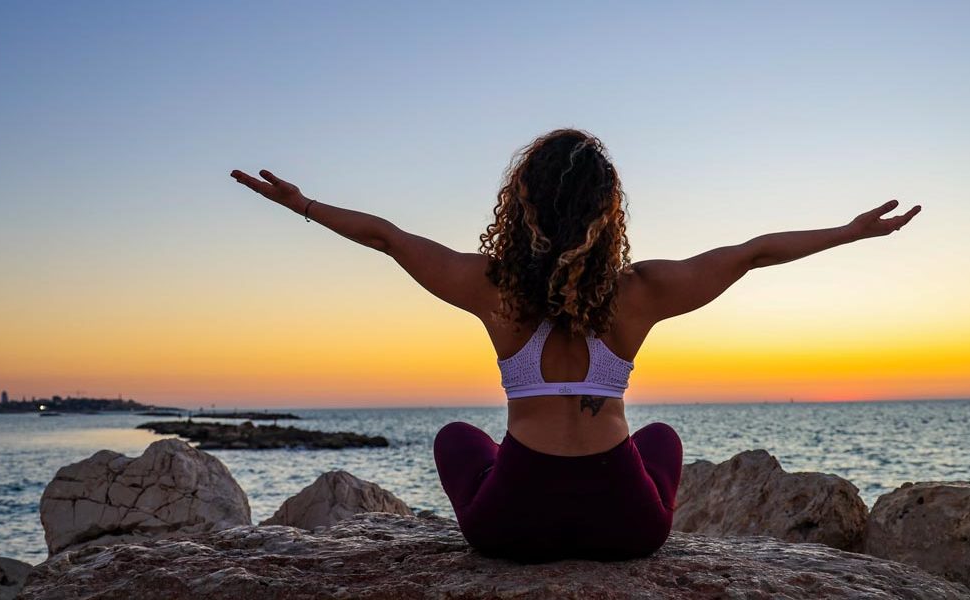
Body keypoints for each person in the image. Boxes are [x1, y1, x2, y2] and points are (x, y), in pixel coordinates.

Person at [230, 128, 921, 562]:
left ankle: (516, 471)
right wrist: (848, 231)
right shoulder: (642, 292)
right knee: (663, 441)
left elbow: (387, 237)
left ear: (519, 204)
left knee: (455, 438)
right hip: (626, 528)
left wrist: (304, 205)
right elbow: (753, 253)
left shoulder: (491, 287)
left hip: (509, 528)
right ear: (607, 212)